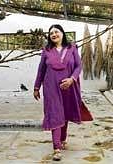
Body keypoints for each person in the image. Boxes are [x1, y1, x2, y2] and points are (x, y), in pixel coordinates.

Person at [33, 24, 82, 161]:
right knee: (55, 114)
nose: (54, 34)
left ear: (62, 33)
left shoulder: (72, 48)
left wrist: (72, 79)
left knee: (65, 113)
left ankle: (63, 139)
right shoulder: (47, 50)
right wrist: (37, 87)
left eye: (56, 32)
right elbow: (41, 70)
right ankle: (57, 148)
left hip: (68, 86)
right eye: (51, 33)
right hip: (51, 87)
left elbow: (79, 66)